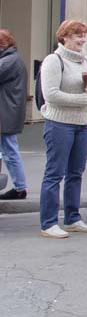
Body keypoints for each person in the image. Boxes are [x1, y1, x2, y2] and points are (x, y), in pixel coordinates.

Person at [37, 20, 87, 238]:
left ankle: (72, 218)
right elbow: (51, 94)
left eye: (84, 35)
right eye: (77, 35)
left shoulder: (85, 60)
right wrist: (84, 99)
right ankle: (48, 223)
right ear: (64, 37)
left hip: (83, 124)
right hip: (60, 124)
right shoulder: (53, 61)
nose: (82, 40)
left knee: (76, 173)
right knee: (55, 173)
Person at [0, 29, 29, 200]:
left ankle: (20, 187)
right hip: (9, 111)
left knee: (10, 150)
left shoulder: (8, 61)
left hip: (6, 113)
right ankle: (19, 186)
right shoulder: (12, 58)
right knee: (9, 149)